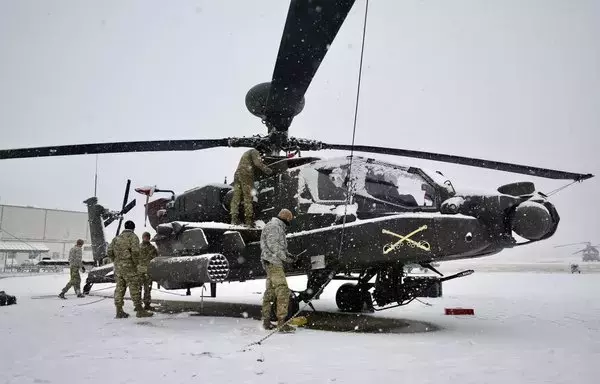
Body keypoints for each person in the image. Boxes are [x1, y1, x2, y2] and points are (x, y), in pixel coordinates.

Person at [260, 208, 297, 333]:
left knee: (270, 292)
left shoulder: (275, 226)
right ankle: (282, 323)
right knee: (282, 291)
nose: (289, 222)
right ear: (286, 218)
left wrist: (290, 256)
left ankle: (266, 321)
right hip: (274, 263)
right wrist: (286, 258)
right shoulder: (274, 227)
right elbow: (274, 246)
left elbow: (278, 246)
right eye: (289, 220)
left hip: (270, 262)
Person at [107, 221, 153, 319]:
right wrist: (136, 263)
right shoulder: (133, 237)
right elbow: (135, 252)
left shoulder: (116, 238)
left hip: (118, 267)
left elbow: (109, 251)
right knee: (134, 287)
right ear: (133, 228)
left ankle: (119, 311)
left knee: (120, 287)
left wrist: (116, 260)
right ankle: (139, 310)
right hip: (129, 266)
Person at [230, 147, 273, 226]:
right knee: (248, 197)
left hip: (237, 175)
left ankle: (234, 219)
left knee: (236, 198)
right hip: (246, 174)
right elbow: (257, 163)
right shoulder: (254, 151)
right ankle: (248, 220)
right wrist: (268, 170)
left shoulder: (247, 153)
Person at [138, 232, 158, 310]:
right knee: (138, 289)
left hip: (148, 271)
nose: (146, 238)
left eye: (147, 237)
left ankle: (147, 304)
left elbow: (156, 257)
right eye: (145, 237)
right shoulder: (138, 247)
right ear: (142, 237)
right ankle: (138, 305)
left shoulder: (152, 248)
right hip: (140, 271)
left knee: (148, 289)